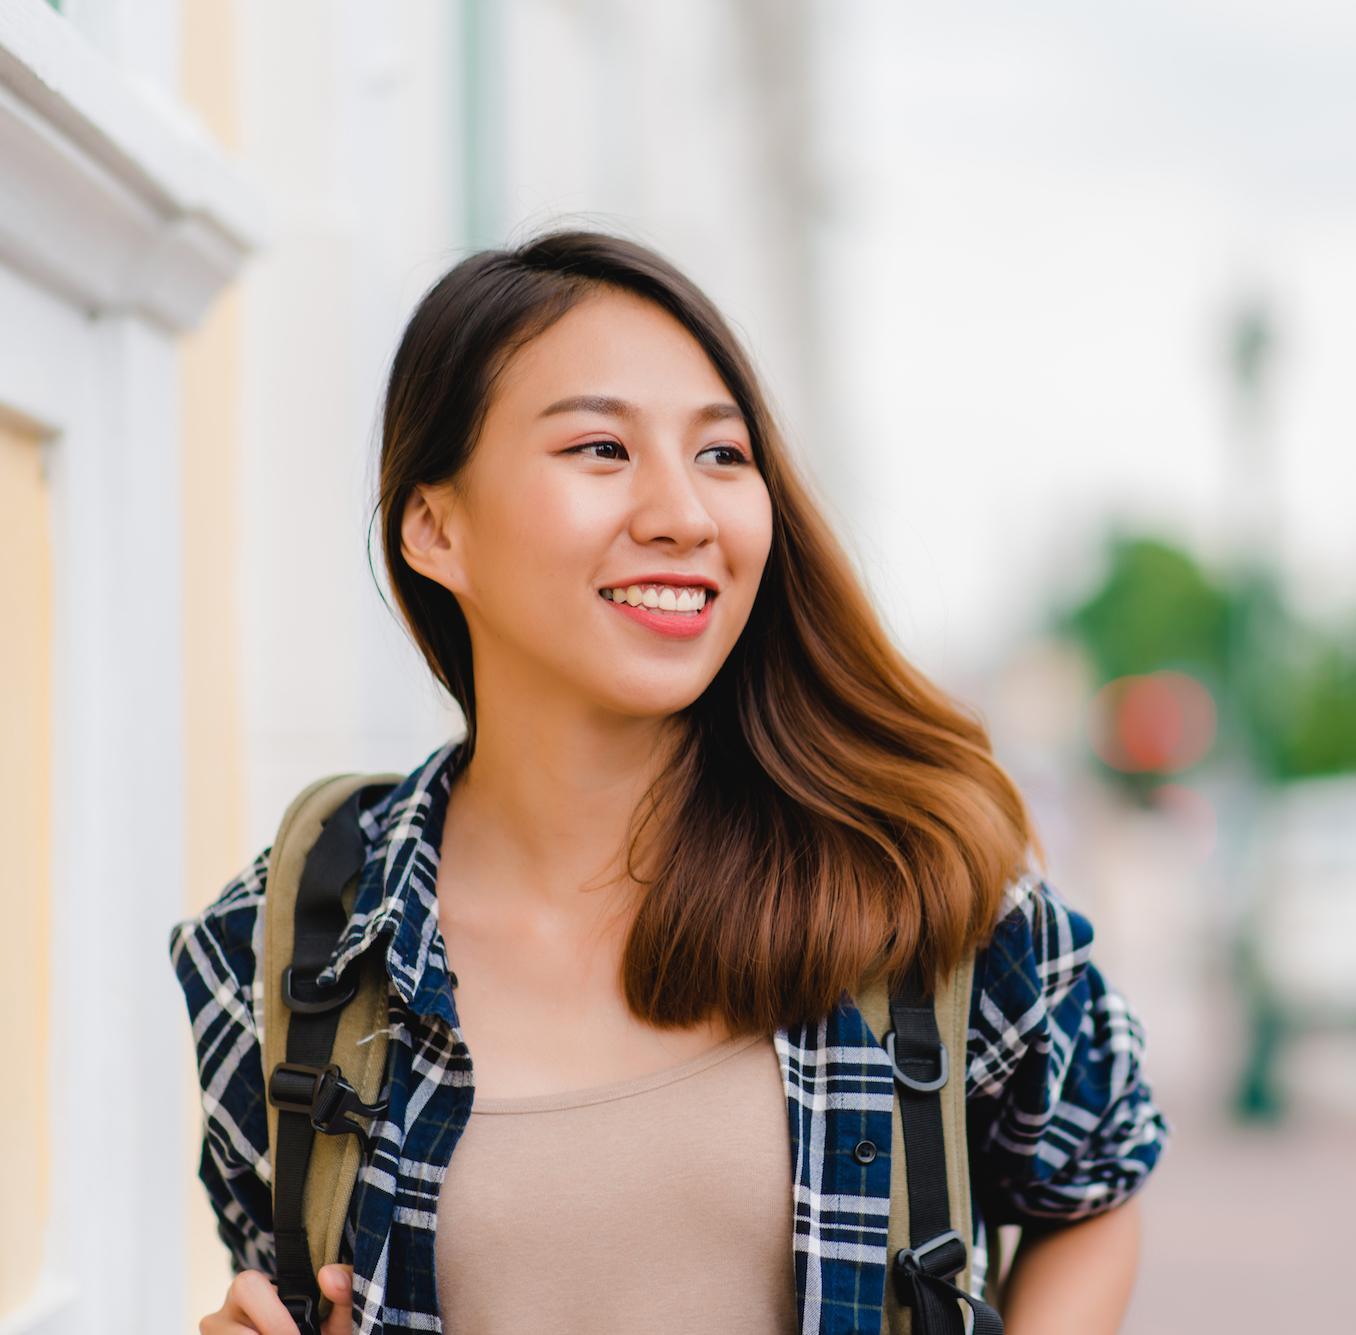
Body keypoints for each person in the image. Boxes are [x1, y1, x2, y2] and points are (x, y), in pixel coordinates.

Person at [170, 228, 1171, 1335]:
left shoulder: (909, 880)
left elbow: (1091, 1186)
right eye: (601, 449)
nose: (684, 516)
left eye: (723, 456)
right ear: (435, 527)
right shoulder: (290, 941)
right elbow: (285, 1287)